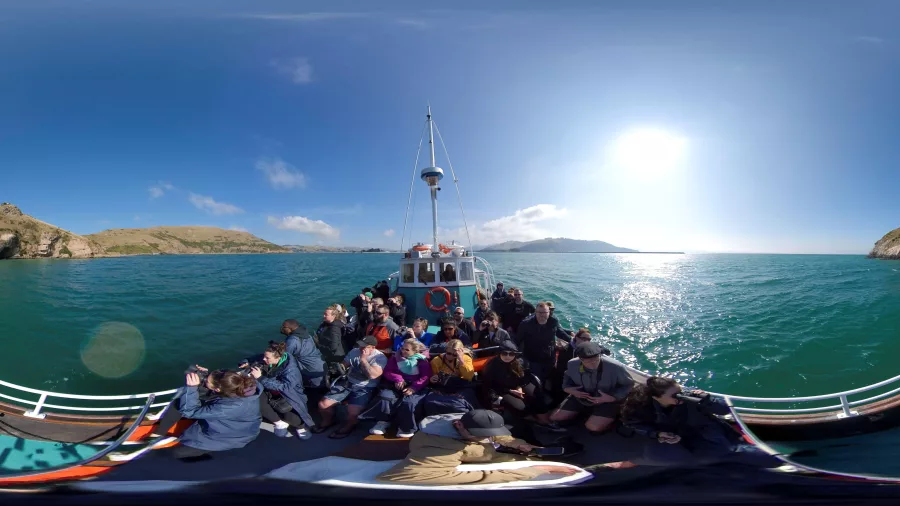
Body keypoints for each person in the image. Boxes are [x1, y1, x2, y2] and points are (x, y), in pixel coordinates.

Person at [377, 409, 576, 485]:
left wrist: (518, 444)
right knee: (528, 463)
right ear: (460, 426)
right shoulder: (437, 449)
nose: (487, 437)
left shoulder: (462, 419)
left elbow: (495, 434)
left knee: (525, 443)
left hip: (477, 448)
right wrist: (530, 472)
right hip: (468, 454)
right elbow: (401, 476)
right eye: (481, 435)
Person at [620, 376, 782, 468]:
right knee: (656, 456)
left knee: (727, 450)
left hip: (702, 428)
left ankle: (776, 460)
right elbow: (633, 423)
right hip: (674, 434)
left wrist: (707, 401)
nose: (680, 397)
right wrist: (657, 434)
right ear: (657, 397)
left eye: (680, 392)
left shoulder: (690, 398)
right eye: (674, 396)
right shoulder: (642, 405)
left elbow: (725, 409)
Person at [168, 370, 261, 460]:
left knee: (178, 453)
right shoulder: (245, 388)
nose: (204, 381)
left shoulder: (228, 407)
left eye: (207, 381)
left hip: (230, 438)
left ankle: (208, 456)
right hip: (243, 428)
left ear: (218, 389)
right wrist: (208, 374)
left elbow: (189, 412)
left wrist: (191, 388)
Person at [550, 342, 634, 434]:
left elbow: (628, 385)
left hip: (607, 400)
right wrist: (568, 389)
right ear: (581, 359)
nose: (593, 364)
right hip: (581, 397)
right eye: (588, 361)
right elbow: (567, 378)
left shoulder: (616, 367)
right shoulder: (572, 364)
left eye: (596, 359)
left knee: (592, 427)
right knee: (555, 417)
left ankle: (607, 423)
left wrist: (612, 397)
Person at [314, 335, 388, 439]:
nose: (361, 348)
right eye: (361, 346)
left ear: (373, 348)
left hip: (365, 387)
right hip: (348, 383)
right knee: (323, 404)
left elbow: (373, 375)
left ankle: (349, 426)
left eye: (365, 347)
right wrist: (339, 368)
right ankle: (328, 421)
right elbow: (345, 364)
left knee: (353, 412)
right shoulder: (354, 351)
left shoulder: (380, 358)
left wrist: (363, 359)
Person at [366, 338, 433, 438]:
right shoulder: (395, 358)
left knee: (409, 403)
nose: (403, 351)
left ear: (415, 351)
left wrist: (413, 388)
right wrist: (398, 378)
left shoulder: (422, 361)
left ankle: (407, 427)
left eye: (407, 350)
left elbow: (425, 377)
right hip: (397, 384)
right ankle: (383, 422)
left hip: (415, 387)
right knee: (385, 397)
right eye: (402, 348)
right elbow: (388, 371)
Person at [249, 341, 316, 439]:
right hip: (270, 390)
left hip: (288, 395)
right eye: (265, 356)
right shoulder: (280, 356)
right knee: (256, 400)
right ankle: (279, 423)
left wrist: (260, 378)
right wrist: (247, 360)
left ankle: (300, 426)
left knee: (292, 418)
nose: (264, 359)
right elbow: (259, 357)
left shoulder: (291, 371)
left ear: (278, 358)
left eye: (267, 358)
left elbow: (285, 387)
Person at [480, 341, 554, 427]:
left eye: (511, 354)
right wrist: (510, 391)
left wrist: (520, 387)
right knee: (520, 406)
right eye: (504, 353)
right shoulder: (492, 366)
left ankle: (545, 419)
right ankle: (534, 420)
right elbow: (491, 386)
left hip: (519, 385)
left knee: (536, 396)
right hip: (503, 389)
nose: (508, 356)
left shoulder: (520, 362)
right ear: (499, 353)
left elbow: (526, 377)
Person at [516, 301, 572, 383]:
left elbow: (560, 333)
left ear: (549, 312)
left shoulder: (553, 322)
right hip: (534, 358)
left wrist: (573, 341)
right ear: (535, 312)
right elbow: (518, 339)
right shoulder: (526, 324)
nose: (542, 314)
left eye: (545, 312)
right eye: (539, 312)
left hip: (549, 356)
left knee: (548, 374)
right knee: (537, 378)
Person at [550, 328, 595, 404]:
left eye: (589, 340)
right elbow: (562, 370)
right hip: (562, 379)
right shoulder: (567, 350)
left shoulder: (583, 351)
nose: (586, 341)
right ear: (577, 338)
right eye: (584, 339)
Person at [279, 319, 326, 389]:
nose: (282, 329)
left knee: (317, 390)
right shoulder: (306, 334)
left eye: (284, 327)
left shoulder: (292, 340)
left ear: (290, 328)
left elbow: (285, 357)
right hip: (321, 364)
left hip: (311, 369)